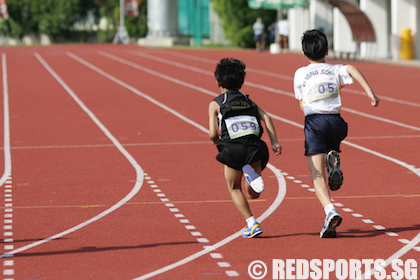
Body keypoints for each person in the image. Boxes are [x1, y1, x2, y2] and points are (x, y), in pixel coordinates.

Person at [293, 29, 379, 238]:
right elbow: (352, 68)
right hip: (337, 123)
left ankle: (330, 209)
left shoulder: (300, 73)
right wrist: (370, 92)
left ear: (304, 53)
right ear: (327, 50)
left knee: (316, 174)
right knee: (328, 148)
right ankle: (332, 154)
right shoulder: (334, 69)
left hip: (315, 122)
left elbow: (301, 101)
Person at [209, 58, 282, 238]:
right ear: (242, 83)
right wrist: (275, 142)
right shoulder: (249, 102)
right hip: (254, 147)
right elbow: (267, 118)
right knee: (253, 194)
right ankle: (250, 175)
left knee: (234, 187)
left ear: (218, 82)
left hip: (232, 148)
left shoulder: (216, 103)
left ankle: (252, 223)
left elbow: (212, 134)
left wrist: (218, 143)